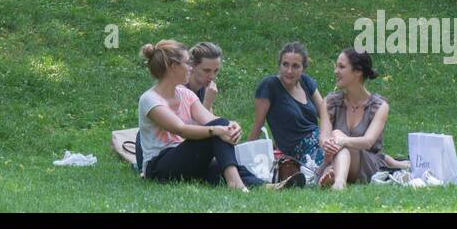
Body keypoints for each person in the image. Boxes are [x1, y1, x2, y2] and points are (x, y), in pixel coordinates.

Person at [136, 40, 268, 190]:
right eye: (187, 63)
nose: (190, 68)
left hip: (185, 159)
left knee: (223, 164)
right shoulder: (149, 99)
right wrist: (218, 129)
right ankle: (236, 184)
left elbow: (211, 120)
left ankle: (267, 186)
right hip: (159, 167)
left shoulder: (185, 94)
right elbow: (181, 129)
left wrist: (231, 126)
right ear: (173, 67)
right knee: (217, 131)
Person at [249, 42, 333, 183]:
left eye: (295, 66)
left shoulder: (306, 82)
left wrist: (326, 136)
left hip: (318, 138)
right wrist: (248, 159)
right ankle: (327, 174)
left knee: (342, 143)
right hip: (297, 149)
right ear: (279, 65)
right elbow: (258, 125)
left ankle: (377, 162)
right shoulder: (270, 86)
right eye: (285, 64)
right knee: (339, 152)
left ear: (303, 68)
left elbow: (325, 113)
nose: (289, 71)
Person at [321, 47, 390, 189]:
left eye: (341, 67)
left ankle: (336, 179)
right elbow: (324, 137)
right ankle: (337, 179)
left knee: (337, 135)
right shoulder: (330, 102)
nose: (336, 71)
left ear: (358, 72)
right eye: (336, 66)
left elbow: (368, 141)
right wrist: (329, 144)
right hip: (333, 155)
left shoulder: (379, 106)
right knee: (336, 138)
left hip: (366, 163)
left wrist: (341, 140)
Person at [186, 41, 222, 109]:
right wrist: (207, 102)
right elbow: (204, 119)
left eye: (216, 71)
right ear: (192, 66)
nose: (212, 76)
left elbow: (211, 118)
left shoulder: (202, 86)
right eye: (206, 70)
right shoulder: (180, 92)